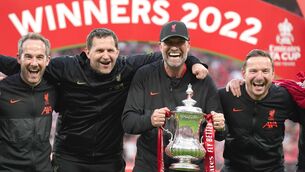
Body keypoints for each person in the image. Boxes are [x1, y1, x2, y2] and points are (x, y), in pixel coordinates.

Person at [0, 28, 208, 172]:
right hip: (69, 158)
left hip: (109, 159)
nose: (105, 55)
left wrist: (195, 61)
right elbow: (23, 65)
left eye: (110, 50)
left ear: (117, 52)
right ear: (87, 52)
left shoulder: (126, 68)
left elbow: (168, 53)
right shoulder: (65, 67)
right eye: (99, 50)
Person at [122, 20, 226, 172]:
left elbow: (221, 134)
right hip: (150, 165)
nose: (174, 47)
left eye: (180, 42)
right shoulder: (144, 75)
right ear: (160, 46)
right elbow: (128, 122)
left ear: (188, 45)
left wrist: (220, 126)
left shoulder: (203, 80)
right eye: (169, 42)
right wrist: (150, 119)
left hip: (192, 165)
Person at [219, 49, 301, 172]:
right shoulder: (226, 95)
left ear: (273, 74)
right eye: (253, 71)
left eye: (265, 71)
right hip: (233, 168)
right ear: (243, 73)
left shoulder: (284, 97)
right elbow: (214, 133)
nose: (259, 77)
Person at [0, 33, 56, 172]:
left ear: (48, 60)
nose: (34, 63)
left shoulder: (55, 88)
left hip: (43, 168)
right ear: (19, 58)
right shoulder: (3, 89)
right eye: (28, 56)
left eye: (39, 57)